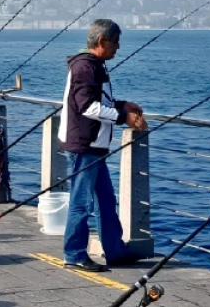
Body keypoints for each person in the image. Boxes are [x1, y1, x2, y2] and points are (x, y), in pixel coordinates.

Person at [58, 19, 148, 272]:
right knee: (81, 202)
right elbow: (87, 107)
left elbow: (100, 100)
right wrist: (123, 117)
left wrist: (122, 105)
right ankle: (74, 254)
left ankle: (115, 252)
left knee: (106, 201)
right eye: (115, 42)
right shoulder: (85, 67)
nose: (118, 47)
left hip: (94, 146)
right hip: (83, 146)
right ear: (101, 42)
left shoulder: (94, 65)